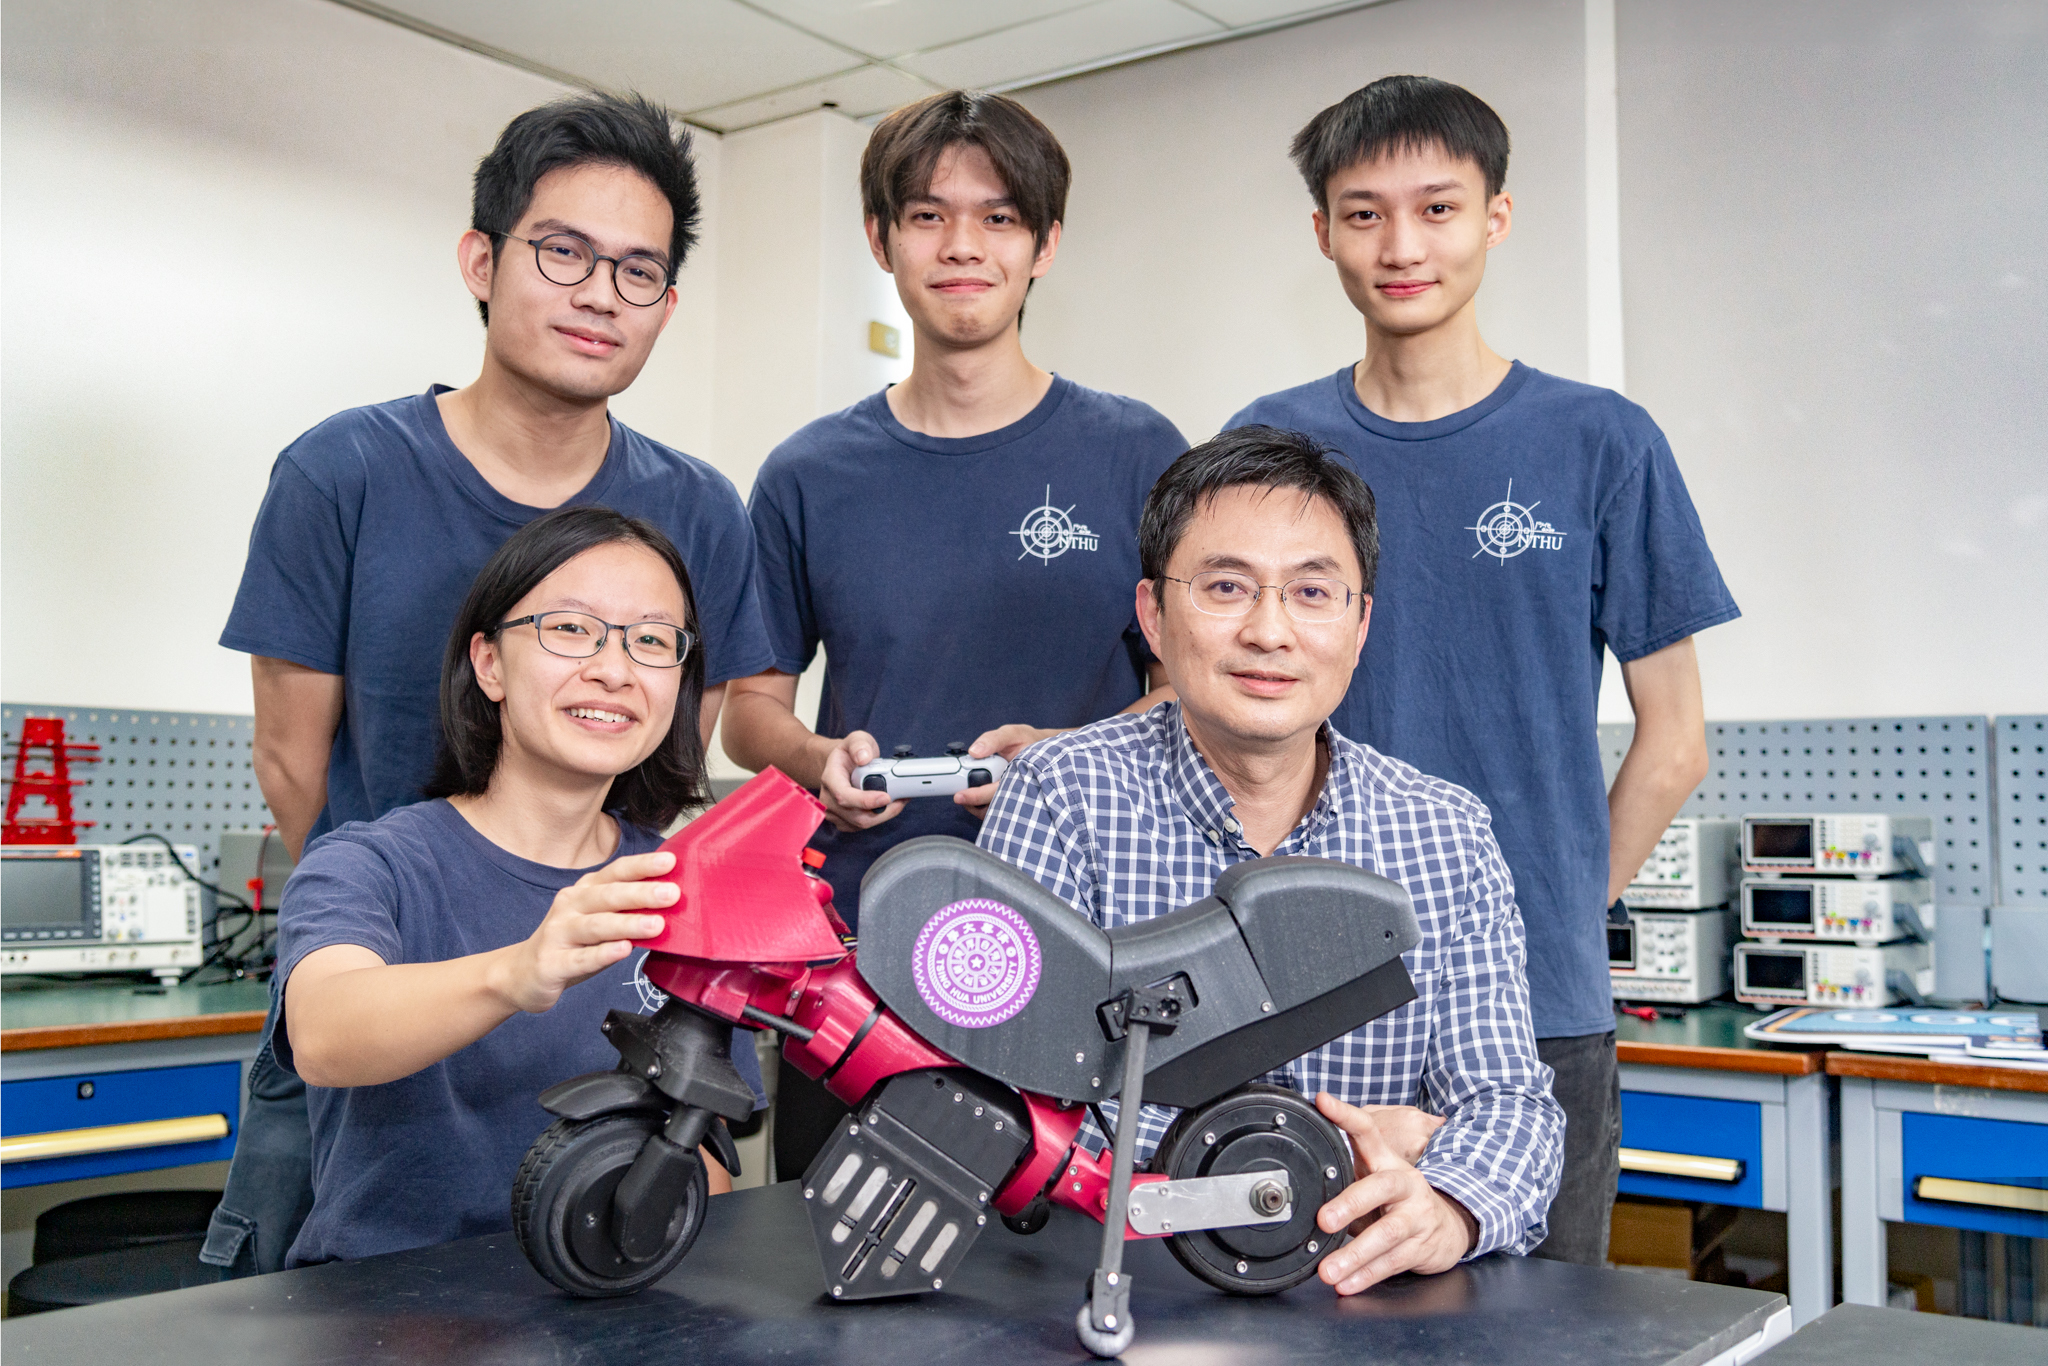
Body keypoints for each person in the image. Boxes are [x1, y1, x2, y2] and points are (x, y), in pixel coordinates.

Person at [206, 92, 772, 1275]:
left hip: (601, 992)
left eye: (636, 271)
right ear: (482, 257)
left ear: (666, 305)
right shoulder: (342, 472)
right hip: (376, 969)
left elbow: (664, 767)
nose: (595, 293)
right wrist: (427, 896)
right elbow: (293, 764)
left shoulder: (702, 512)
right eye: (562, 251)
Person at [1224, 76, 1736, 1264]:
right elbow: (1221, 691)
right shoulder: (1268, 442)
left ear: (1494, 218)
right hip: (1303, 1000)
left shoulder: (1600, 441)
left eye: (1437, 208)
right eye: (1362, 214)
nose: (1402, 246)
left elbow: (1672, 742)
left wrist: (1537, 923)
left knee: (1539, 1329)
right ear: (1321, 233)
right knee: (1298, 1316)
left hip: (1537, 1014)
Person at [980, 428, 1563, 1295]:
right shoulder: (1062, 798)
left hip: (1360, 1294)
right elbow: (995, 1100)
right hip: (1105, 1286)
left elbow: (1511, 1104)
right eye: (1225, 587)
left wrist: (1449, 1206)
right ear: (1152, 614)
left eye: (1313, 592)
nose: (1269, 631)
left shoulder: (1444, 831)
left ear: (1360, 624)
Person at [720, 91, 1185, 1175]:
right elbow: (747, 710)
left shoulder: (1136, 450)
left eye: (999, 217)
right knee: (840, 1277)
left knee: (1068, 1274)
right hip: (860, 955)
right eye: (927, 216)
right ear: (881, 240)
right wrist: (815, 758)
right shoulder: (806, 473)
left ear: (1044, 245)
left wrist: (1067, 756)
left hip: (1092, 942)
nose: (962, 245)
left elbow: (1193, 696)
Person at [272, 506, 763, 1266]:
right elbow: (324, 1035)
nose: (614, 668)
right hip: (392, 1315)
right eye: (572, 629)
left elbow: (701, 1153)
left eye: (653, 641)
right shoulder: (369, 864)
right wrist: (519, 971)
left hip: (615, 1307)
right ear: (489, 663)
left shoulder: (685, 887)